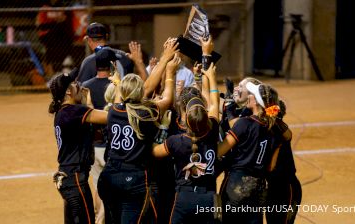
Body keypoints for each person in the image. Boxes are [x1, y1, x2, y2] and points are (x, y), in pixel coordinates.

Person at [97, 53, 180, 224]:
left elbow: (122, 96)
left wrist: (118, 81)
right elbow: (167, 98)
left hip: (109, 175)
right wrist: (170, 73)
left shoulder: (112, 111)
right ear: (141, 93)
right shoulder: (146, 113)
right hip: (133, 179)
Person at [151, 62, 220, 224]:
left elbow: (154, 151)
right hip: (209, 197)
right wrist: (211, 78)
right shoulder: (212, 131)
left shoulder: (177, 141)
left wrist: (162, 127)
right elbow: (214, 103)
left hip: (184, 197)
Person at [48, 68, 108, 224]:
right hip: (74, 180)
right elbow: (111, 117)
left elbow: (92, 131)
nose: (79, 86)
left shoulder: (65, 112)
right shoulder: (73, 112)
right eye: (75, 84)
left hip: (70, 178)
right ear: (68, 92)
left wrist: (87, 102)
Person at [217, 82, 281, 224]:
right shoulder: (275, 130)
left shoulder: (244, 123)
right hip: (258, 188)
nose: (249, 96)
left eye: (252, 95)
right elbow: (270, 167)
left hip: (237, 185)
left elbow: (221, 150)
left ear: (257, 102)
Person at [82, 48, 118, 224]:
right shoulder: (117, 86)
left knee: (97, 185)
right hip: (114, 145)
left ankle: (99, 218)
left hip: (94, 144)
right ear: (113, 65)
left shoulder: (85, 86)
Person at [265, 100, 302, 224]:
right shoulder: (264, 130)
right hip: (272, 189)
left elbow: (288, 134)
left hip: (287, 188)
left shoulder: (280, 132)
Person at [36, 0, 74, 77]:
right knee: (57, 29)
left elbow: (66, 22)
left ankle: (63, 70)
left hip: (60, 37)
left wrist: (56, 23)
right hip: (46, 35)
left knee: (61, 31)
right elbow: (41, 26)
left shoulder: (63, 8)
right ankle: (50, 72)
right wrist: (56, 23)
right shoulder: (45, 8)